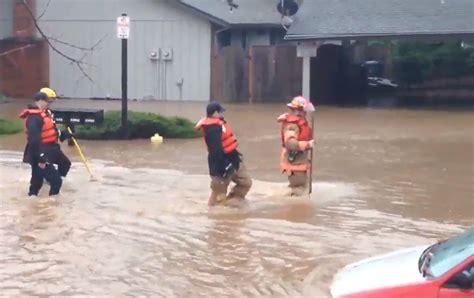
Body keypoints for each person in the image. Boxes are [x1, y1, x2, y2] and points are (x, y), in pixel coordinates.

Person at [196, 102, 252, 206]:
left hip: (234, 159)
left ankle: (233, 202)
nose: (222, 114)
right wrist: (225, 165)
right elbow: (215, 151)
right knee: (218, 195)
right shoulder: (213, 128)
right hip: (220, 165)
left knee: (246, 182)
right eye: (220, 111)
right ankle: (215, 217)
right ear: (214, 113)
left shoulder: (220, 124)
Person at [19, 90, 72, 196]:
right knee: (56, 182)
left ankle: (33, 203)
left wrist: (63, 134)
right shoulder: (34, 117)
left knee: (38, 181)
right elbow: (34, 139)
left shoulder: (45, 113)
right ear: (39, 101)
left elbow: (49, 130)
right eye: (47, 101)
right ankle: (51, 206)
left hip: (50, 148)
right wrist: (40, 158)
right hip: (40, 151)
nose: (49, 103)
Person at [277, 96, 315, 196]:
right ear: (298, 111)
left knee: (301, 188)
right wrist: (307, 144)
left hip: (299, 163)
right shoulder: (292, 125)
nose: (305, 113)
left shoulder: (299, 123)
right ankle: (294, 209)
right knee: (298, 190)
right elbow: (290, 143)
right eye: (303, 111)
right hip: (294, 164)